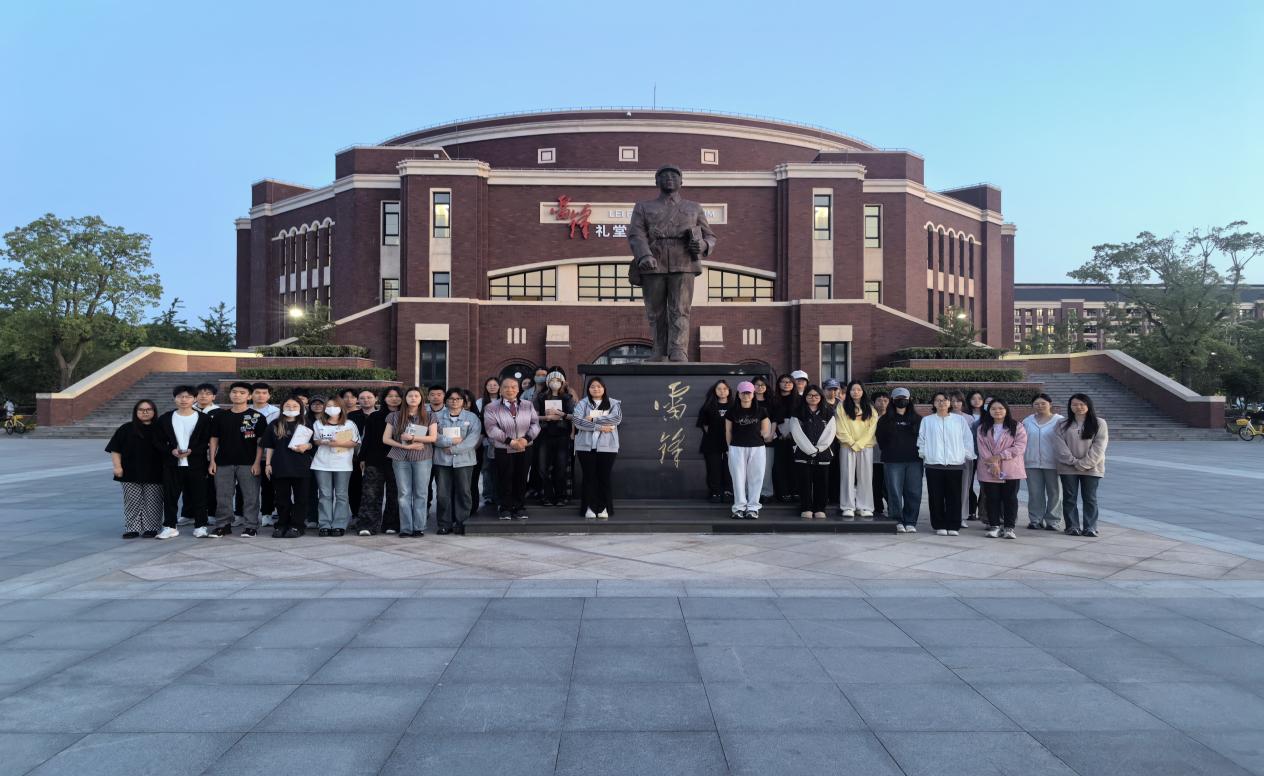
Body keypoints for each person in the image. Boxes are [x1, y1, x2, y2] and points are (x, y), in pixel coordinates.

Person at [154, 385, 213, 539]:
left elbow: (206, 441)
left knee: (199, 495)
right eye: (180, 396)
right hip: (172, 464)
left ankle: (200, 526)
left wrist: (193, 450)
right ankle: (170, 526)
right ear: (174, 398)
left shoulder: (204, 419)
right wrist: (171, 451)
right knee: (170, 496)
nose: (184, 400)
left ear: (194, 399)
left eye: (188, 397)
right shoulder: (166, 418)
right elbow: (158, 441)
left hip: (196, 464)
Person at [208, 382, 267, 537]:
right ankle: (223, 525)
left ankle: (250, 526)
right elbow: (214, 439)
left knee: (251, 496)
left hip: (249, 463)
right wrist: (212, 460)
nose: (237, 395)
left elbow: (260, 443)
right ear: (230, 394)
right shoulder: (220, 416)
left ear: (249, 396)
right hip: (223, 462)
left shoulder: (257, 417)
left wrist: (257, 463)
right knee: (223, 496)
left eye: (242, 392)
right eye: (234, 392)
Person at [917, 392, 976, 536]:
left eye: (944, 400)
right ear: (934, 403)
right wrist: (925, 454)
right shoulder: (927, 420)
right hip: (933, 464)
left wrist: (963, 454)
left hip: (955, 464)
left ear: (949, 403)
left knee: (954, 496)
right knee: (935, 496)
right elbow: (921, 439)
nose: (941, 403)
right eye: (938, 400)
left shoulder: (959, 420)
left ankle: (953, 524)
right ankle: (939, 524)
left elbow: (967, 439)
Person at [105, 399, 165, 539]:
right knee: (132, 501)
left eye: (148, 409)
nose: (145, 412)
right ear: (135, 412)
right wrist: (117, 467)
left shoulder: (161, 428)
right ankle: (132, 528)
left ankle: (152, 528)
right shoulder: (126, 428)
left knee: (153, 501)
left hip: (155, 471)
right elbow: (115, 449)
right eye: (141, 410)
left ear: (154, 411)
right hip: (130, 471)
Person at [483, 376, 540, 520]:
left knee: (521, 477)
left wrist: (526, 439)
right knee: (504, 477)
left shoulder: (527, 405)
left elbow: (535, 424)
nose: (510, 390)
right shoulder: (491, 407)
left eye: (513, 387)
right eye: (506, 387)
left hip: (525, 446)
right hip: (503, 448)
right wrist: (510, 441)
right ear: (500, 390)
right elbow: (491, 428)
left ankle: (519, 507)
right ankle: (505, 507)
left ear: (518, 389)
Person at [1053, 393, 1109, 538]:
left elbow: (1099, 446)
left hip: (1092, 468)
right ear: (1070, 406)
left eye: (1082, 404)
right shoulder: (1061, 424)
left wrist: (1084, 463)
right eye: (1075, 404)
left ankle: (1090, 527)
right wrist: (1073, 462)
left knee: (1090, 498)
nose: (1078, 407)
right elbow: (1059, 446)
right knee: (1069, 498)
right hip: (1068, 468)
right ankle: (1072, 526)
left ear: (1088, 405)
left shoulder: (1099, 423)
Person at [384, 387, 438, 537]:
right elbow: (385, 439)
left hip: (422, 458)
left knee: (421, 493)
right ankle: (406, 528)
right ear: (405, 398)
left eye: (416, 396)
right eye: (410, 396)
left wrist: (413, 438)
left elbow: (433, 437)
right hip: (400, 458)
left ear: (421, 399)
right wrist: (404, 445)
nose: (413, 398)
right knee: (404, 493)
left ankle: (418, 527)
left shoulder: (429, 416)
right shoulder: (394, 416)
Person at [432, 387, 482, 535]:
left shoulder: (472, 418)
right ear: (446, 400)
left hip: (464, 461)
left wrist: (453, 449)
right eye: (451, 399)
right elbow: (433, 437)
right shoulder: (436, 417)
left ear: (463, 401)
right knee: (442, 494)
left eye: (458, 399)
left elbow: (472, 440)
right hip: (442, 461)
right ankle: (444, 524)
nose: (454, 401)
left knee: (464, 492)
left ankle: (462, 523)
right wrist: (449, 441)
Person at [976, 398, 1028, 540]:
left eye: (1000, 408)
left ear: (1006, 410)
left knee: (1010, 498)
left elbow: (1020, 446)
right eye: (993, 409)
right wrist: (993, 464)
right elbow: (982, 449)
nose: (997, 411)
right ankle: (994, 526)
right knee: (991, 498)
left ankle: (1009, 527)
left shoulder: (1017, 426)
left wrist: (999, 456)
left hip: (1010, 468)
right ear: (989, 411)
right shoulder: (982, 428)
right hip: (989, 469)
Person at [572, 376, 623, 519]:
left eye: (599, 386)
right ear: (588, 389)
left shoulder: (613, 403)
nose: (596, 389)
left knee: (604, 477)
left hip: (608, 447)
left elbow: (616, 419)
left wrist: (594, 418)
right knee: (589, 478)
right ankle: (589, 507)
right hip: (585, 447)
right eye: (592, 386)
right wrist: (600, 427)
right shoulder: (582, 404)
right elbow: (578, 422)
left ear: (604, 388)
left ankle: (603, 507)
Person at [262, 398, 314, 538]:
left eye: (295, 406)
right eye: (288, 405)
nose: (291, 408)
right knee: (281, 498)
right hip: (280, 466)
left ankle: (297, 526)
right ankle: (282, 524)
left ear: (301, 408)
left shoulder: (306, 423)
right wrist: (268, 464)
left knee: (301, 498)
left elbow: (313, 444)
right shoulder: (275, 424)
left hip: (301, 466)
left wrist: (307, 446)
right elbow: (270, 446)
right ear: (282, 407)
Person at [310, 396, 361, 537]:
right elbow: (315, 440)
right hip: (322, 463)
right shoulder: (318, 423)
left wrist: (338, 443)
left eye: (335, 406)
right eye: (329, 406)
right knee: (325, 495)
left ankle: (339, 524)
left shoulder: (349, 424)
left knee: (341, 495)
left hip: (343, 464)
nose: (332, 408)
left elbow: (355, 442)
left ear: (341, 408)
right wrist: (324, 441)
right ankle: (324, 524)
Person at [354, 386, 401, 536]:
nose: (393, 399)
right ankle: (367, 525)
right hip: (374, 460)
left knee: (395, 493)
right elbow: (367, 439)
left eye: (397, 396)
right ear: (384, 399)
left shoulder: (405, 416)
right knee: (370, 493)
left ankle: (391, 524)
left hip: (398, 460)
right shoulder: (375, 416)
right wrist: (362, 458)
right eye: (390, 396)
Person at [876, 387, 924, 533]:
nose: (901, 401)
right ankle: (896, 520)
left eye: (904, 398)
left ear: (909, 400)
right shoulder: (884, 420)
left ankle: (910, 521)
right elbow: (881, 440)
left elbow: (923, 439)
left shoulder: (918, 419)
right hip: (893, 461)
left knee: (914, 492)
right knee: (894, 492)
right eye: (898, 398)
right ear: (893, 400)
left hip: (914, 461)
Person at [787, 384, 835, 519]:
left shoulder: (828, 412)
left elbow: (830, 432)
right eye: (809, 395)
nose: (813, 398)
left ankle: (820, 508)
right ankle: (806, 508)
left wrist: (819, 449)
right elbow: (796, 432)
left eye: (816, 395)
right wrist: (810, 450)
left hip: (823, 453)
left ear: (821, 397)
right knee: (804, 483)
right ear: (805, 396)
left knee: (822, 483)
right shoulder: (797, 412)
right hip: (803, 453)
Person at [725, 381, 771, 519]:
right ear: (738, 394)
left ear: (753, 394)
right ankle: (738, 508)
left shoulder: (761, 411)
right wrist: (729, 448)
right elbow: (728, 431)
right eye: (743, 393)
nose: (746, 395)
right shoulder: (732, 411)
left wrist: (764, 434)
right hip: (736, 447)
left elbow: (766, 430)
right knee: (738, 478)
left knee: (756, 478)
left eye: (748, 393)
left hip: (757, 447)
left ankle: (753, 508)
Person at [533, 370, 576, 507]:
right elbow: (533, 416)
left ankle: (561, 496)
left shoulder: (567, 398)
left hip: (562, 435)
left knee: (561, 467)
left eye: (558, 380)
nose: (555, 383)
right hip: (544, 434)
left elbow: (574, 416)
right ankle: (547, 496)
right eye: (552, 380)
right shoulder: (540, 397)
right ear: (547, 382)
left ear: (562, 382)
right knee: (542, 467)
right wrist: (546, 417)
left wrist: (561, 415)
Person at [836, 380, 878, 520]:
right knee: (847, 476)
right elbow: (840, 427)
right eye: (853, 389)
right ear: (848, 391)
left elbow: (872, 429)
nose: (856, 392)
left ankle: (864, 506)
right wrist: (851, 443)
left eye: (859, 389)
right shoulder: (842, 407)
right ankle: (848, 506)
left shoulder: (870, 408)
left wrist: (859, 444)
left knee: (865, 477)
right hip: (847, 446)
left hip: (865, 446)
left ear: (863, 391)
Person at [1022, 393, 1064, 531]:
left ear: (1050, 404)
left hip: (1053, 463)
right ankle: (1036, 519)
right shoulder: (1028, 421)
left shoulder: (1059, 420)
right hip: (1031, 462)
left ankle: (1053, 521)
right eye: (1036, 404)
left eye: (1043, 403)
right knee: (1035, 493)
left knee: (1055, 493)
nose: (1040, 406)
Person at [696, 380, 734, 503]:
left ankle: (728, 491)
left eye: (725, 389)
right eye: (719, 389)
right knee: (713, 468)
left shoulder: (735, 406)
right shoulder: (708, 406)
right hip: (712, 443)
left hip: (732, 443)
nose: (722, 391)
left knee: (730, 468)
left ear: (729, 391)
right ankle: (715, 492)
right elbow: (705, 425)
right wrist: (714, 435)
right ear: (715, 391)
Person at [248, 383, 279, 527]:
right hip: (248, 455)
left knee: (268, 487)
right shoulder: (245, 410)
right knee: (245, 487)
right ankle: (241, 514)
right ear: (251, 395)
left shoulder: (276, 412)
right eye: (257, 392)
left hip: (269, 456)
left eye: (264, 393)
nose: (261, 395)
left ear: (269, 395)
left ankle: (267, 513)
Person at [476, 377, 502, 512]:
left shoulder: (504, 401)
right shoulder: (480, 402)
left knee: (500, 468)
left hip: (502, 441)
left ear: (499, 386)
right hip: (486, 440)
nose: (492, 387)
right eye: (489, 385)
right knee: (486, 468)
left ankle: (499, 494)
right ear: (486, 387)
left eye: (495, 384)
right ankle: (488, 495)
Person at [771, 373, 798, 502]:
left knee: (794, 465)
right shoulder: (773, 399)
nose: (786, 384)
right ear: (779, 384)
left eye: (789, 382)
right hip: (778, 436)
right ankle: (783, 492)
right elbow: (770, 418)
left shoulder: (799, 399)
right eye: (783, 382)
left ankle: (795, 491)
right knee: (779, 465)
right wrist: (778, 433)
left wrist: (793, 433)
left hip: (796, 436)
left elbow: (802, 418)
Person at [963, 390, 987, 523]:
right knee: (968, 483)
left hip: (984, 455)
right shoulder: (965, 415)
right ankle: (971, 510)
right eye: (973, 398)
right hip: (969, 454)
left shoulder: (988, 415)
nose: (976, 401)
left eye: (979, 398)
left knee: (985, 484)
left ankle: (983, 510)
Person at [822, 378, 844, 506]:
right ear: (824, 390)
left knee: (837, 469)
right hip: (824, 441)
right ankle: (823, 496)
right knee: (825, 470)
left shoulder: (842, 404)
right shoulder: (820, 403)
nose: (833, 392)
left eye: (835, 389)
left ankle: (835, 496)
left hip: (839, 441)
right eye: (830, 389)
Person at [870, 391, 890, 517]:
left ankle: (892, 506)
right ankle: (877, 507)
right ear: (873, 403)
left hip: (888, 457)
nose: (882, 403)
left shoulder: (892, 418)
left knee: (889, 484)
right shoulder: (869, 418)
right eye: (879, 400)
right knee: (875, 483)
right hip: (873, 456)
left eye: (885, 400)